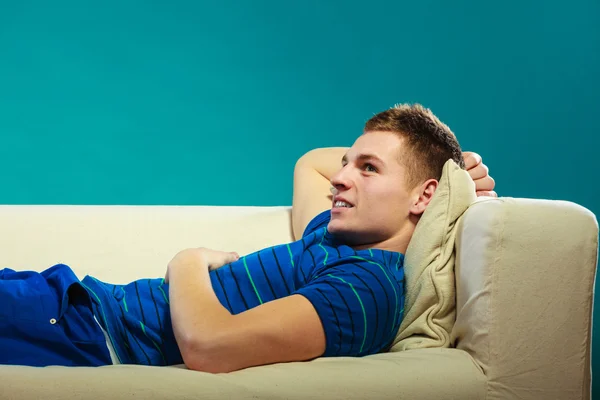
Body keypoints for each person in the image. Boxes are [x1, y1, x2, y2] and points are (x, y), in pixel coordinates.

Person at [0, 104, 495, 373]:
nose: (341, 178)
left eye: (369, 169)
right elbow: (311, 163)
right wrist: (444, 168)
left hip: (87, 333)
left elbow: (209, 348)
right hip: (73, 302)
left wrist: (187, 261)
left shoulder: (363, 289)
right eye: (349, 162)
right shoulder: (334, 236)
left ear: (422, 197)